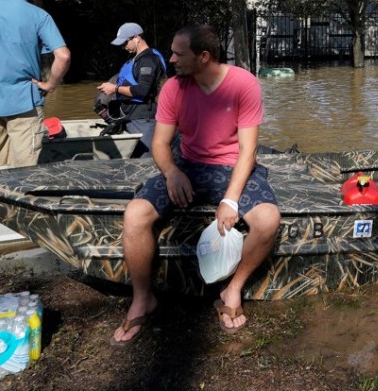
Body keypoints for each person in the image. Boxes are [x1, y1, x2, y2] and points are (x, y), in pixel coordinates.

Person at [112, 24, 281, 345]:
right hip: (188, 164)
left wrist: (231, 200)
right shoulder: (173, 89)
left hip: (234, 166)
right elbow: (161, 144)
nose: (171, 59)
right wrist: (173, 172)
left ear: (203, 57)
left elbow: (249, 151)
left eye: (178, 53)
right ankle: (143, 298)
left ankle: (231, 290)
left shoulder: (244, 84)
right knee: (135, 214)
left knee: (268, 220)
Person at [0, 0, 71, 169]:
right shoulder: (38, 15)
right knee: (23, 174)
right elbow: (63, 56)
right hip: (24, 102)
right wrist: (50, 84)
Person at [96, 23, 167, 157]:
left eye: (125, 43)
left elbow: (142, 90)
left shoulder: (148, 60)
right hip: (131, 118)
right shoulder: (137, 59)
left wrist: (114, 89)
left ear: (136, 38)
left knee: (144, 162)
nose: (123, 47)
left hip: (144, 119)